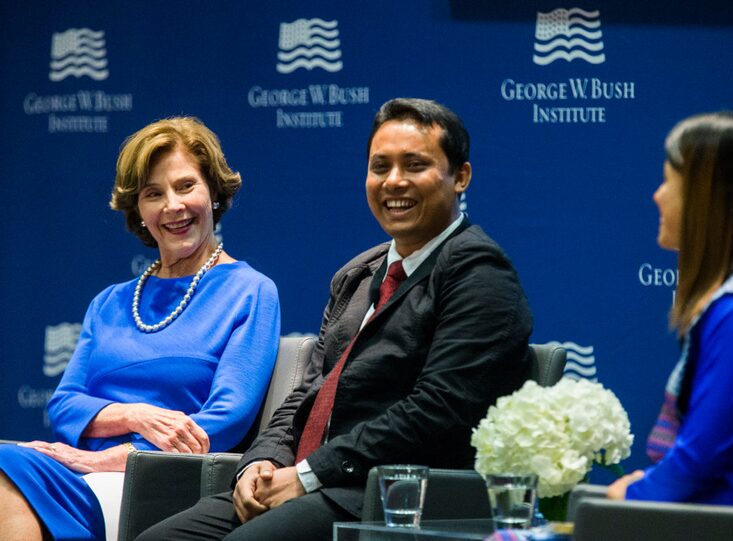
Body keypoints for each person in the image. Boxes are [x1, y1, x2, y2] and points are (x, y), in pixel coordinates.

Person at [137, 98, 534, 541]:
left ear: (460, 177)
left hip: (388, 497)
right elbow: (310, 389)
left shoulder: (477, 270)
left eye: (415, 164)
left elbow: (438, 409)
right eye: (380, 166)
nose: (394, 181)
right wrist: (261, 461)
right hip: (311, 485)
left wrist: (308, 474)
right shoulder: (358, 274)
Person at [0, 117, 280, 541]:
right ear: (138, 210)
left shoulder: (250, 291)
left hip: (159, 484)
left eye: (186, 186)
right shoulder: (110, 301)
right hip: (80, 470)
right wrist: (136, 416)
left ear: (214, 193)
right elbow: (64, 406)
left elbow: (224, 420)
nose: (172, 206)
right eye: (154, 194)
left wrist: (114, 458)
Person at [608, 110, 733, 506]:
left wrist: (633, 494)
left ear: (707, 200)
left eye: (669, 181)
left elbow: (698, 461)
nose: (657, 195)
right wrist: (646, 484)